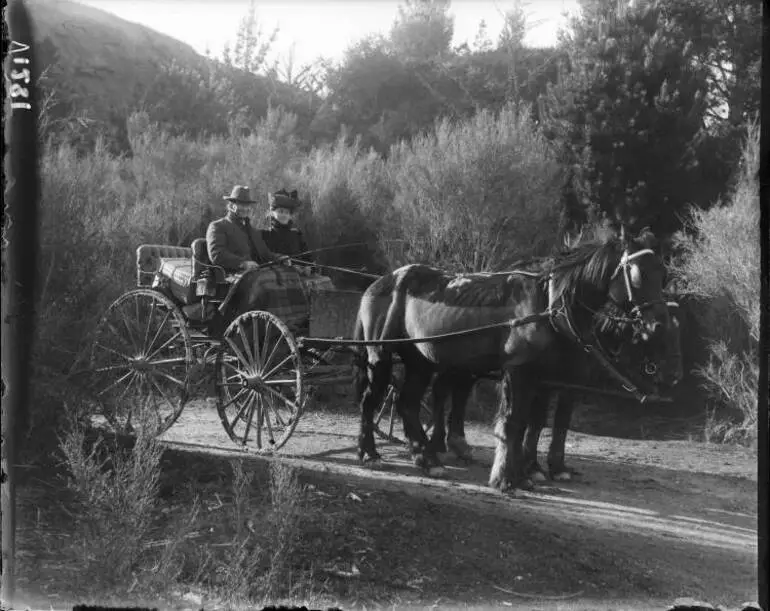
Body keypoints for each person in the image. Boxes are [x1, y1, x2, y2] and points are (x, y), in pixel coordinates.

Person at [206, 185, 285, 273]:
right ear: (231, 206)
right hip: (233, 278)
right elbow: (217, 255)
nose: (245, 208)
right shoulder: (217, 226)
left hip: (258, 277)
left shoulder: (253, 231)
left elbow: (265, 254)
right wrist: (243, 263)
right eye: (241, 204)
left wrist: (280, 258)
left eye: (247, 205)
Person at [261, 189, 314, 275]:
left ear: (290, 215)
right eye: (281, 211)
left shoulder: (297, 234)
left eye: (287, 212)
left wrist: (309, 268)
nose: (284, 215)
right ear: (272, 212)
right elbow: (266, 260)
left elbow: (308, 259)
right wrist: (291, 268)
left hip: (300, 281)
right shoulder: (265, 235)